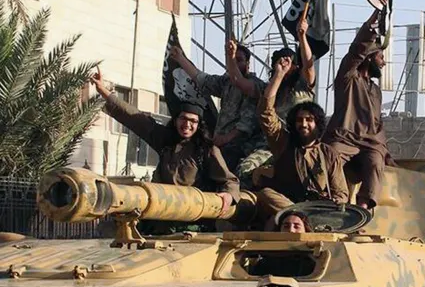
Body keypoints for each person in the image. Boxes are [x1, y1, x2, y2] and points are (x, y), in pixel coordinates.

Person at [90, 68, 240, 233]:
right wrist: (103, 91)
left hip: (191, 226)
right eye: (183, 118)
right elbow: (135, 118)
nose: (187, 124)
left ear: (198, 125)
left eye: (193, 121)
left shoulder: (206, 150)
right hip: (158, 221)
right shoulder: (165, 140)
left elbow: (230, 181)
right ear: (175, 120)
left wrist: (228, 196)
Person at [254, 56, 348, 226]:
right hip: (286, 207)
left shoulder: (328, 153)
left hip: (319, 209)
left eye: (309, 120)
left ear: (317, 124)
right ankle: (301, 217)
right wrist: (279, 75)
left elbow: (341, 192)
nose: (303, 124)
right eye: (299, 120)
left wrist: (336, 200)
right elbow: (265, 113)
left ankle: (307, 219)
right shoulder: (283, 142)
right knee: (265, 194)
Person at [323, 0, 393, 209]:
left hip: (369, 143)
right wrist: (377, 16)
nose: (383, 63)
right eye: (381, 57)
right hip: (344, 137)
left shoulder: (375, 90)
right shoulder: (348, 78)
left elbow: (377, 125)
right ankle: (338, 201)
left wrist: (385, 151)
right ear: (370, 57)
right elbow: (356, 49)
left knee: (375, 163)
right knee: (328, 157)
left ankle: (362, 209)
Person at [232, 13, 317, 179]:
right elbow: (240, 82)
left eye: (289, 63)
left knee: (247, 169)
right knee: (239, 165)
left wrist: (302, 37)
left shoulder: (302, 86)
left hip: (295, 140)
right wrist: (279, 74)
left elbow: (309, 65)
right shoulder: (271, 88)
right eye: (280, 62)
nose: (285, 67)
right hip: (269, 141)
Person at [169, 41, 267, 177]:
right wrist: (180, 58)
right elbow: (202, 79)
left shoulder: (256, 86)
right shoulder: (226, 83)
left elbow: (246, 125)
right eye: (232, 60)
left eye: (239, 60)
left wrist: (224, 139)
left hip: (240, 148)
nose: (235, 64)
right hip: (220, 144)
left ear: (248, 64)